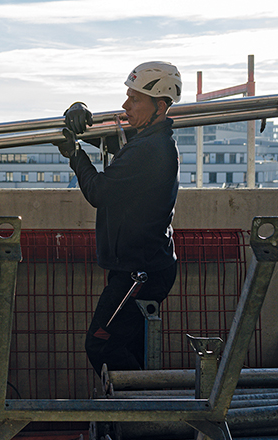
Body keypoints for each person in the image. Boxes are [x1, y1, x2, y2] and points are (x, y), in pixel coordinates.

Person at [55, 61, 181, 375]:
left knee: (102, 343)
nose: (125, 105)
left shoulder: (151, 150)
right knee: (129, 345)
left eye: (135, 99)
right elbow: (113, 140)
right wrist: (79, 111)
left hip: (140, 271)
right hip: (140, 266)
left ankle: (138, 416)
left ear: (160, 107)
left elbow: (99, 192)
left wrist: (75, 154)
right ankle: (141, 419)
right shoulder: (147, 141)